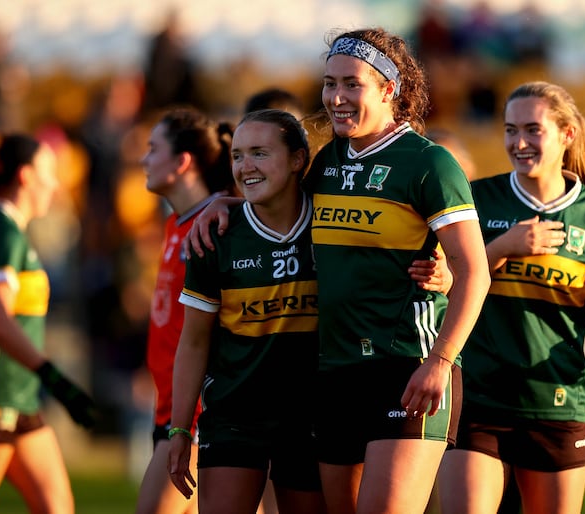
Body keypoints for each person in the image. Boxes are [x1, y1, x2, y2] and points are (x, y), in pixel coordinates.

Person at [186, 27, 491, 514]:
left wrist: (441, 361)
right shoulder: (326, 162)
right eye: (329, 84)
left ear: (389, 88)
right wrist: (222, 205)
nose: (336, 98)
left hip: (406, 367)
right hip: (333, 377)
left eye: (352, 84)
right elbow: (272, 196)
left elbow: (474, 270)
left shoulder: (429, 163)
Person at [437, 81, 585, 514]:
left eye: (532, 129)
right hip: (480, 397)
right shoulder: (480, 199)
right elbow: (447, 279)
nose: (518, 142)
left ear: (567, 135)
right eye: (510, 130)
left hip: (556, 400)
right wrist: (504, 247)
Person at [168, 109, 327, 514]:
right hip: (235, 415)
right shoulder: (215, 235)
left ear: (297, 160)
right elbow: (194, 341)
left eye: (259, 153)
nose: (245, 166)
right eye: (237, 156)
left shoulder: (331, 225)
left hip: (313, 417)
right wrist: (180, 429)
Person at [134, 107, 235, 514]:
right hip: (172, 409)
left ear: (182, 162)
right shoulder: (176, 223)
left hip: (196, 413)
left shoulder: (217, 225)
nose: (144, 159)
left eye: (153, 148)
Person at [0, 133, 97, 511]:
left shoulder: (14, 231)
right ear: (25, 176)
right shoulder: (2, 229)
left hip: (19, 401)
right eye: (49, 172)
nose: (56, 184)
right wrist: (51, 375)